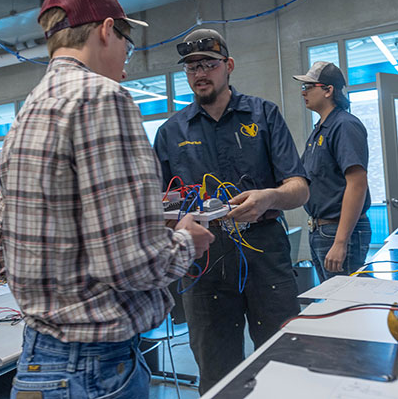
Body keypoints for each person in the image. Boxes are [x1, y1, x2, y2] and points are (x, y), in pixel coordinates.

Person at [0, 0, 214, 399]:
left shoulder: (25, 115)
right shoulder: (103, 98)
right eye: (127, 40)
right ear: (107, 30)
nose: (126, 57)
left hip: (37, 361)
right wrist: (185, 241)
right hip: (94, 369)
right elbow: (130, 263)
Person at [153, 28, 309, 394]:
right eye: (191, 67)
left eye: (208, 63)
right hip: (204, 262)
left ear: (229, 66)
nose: (199, 73)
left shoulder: (264, 115)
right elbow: (161, 204)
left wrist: (269, 197)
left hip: (265, 253)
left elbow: (299, 188)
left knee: (283, 362)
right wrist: (177, 215)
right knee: (216, 372)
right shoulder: (170, 132)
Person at [293, 61, 371, 282]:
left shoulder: (344, 125)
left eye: (309, 87)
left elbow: (357, 183)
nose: (303, 92)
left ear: (328, 90)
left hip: (337, 230)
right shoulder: (321, 129)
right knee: (333, 300)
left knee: (346, 304)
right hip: (321, 229)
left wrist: (340, 241)